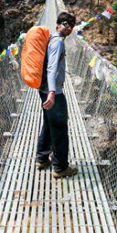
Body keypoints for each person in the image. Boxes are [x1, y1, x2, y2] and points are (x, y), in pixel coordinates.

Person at [36, 12, 78, 178]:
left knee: (48, 123)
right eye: (67, 25)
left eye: (72, 26)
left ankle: (42, 158)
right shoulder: (58, 42)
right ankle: (60, 168)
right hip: (53, 91)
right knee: (60, 127)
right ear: (59, 24)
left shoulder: (51, 39)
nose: (69, 29)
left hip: (44, 89)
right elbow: (51, 68)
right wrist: (52, 93)